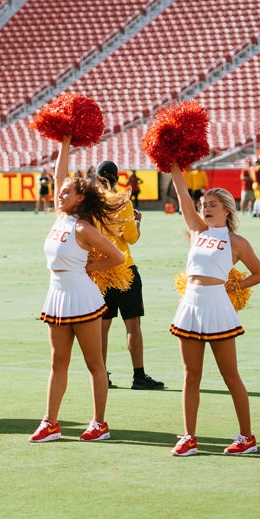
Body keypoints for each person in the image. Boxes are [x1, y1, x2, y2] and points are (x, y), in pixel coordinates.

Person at [29, 136, 124, 443]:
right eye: (60, 192)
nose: (60, 194)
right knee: (58, 363)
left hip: (83, 298)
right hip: (56, 296)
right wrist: (65, 142)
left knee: (95, 364)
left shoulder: (82, 227)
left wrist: (89, 269)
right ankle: (50, 423)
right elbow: (60, 175)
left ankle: (99, 423)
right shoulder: (60, 218)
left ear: (80, 198)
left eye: (66, 192)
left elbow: (117, 256)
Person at [167, 163, 260, 456]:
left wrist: (234, 287)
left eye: (213, 205)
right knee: (190, 375)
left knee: (230, 375)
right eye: (204, 204)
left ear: (227, 211)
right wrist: (173, 166)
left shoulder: (236, 242)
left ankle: (247, 436)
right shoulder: (197, 231)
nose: (206, 208)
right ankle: (188, 437)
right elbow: (182, 194)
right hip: (190, 305)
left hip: (218, 308)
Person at [96, 161, 163, 391]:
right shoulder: (123, 201)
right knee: (132, 323)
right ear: (116, 178)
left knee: (102, 326)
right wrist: (137, 221)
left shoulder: (91, 202)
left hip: (99, 270)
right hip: (124, 268)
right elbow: (132, 237)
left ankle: (101, 375)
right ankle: (139, 375)